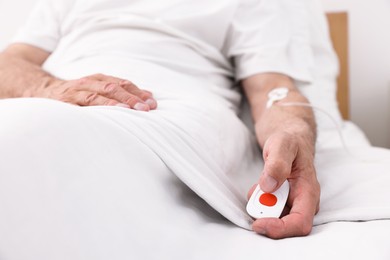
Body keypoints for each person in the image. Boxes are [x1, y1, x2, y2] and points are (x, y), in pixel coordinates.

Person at [0, 0, 320, 239]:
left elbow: (273, 90)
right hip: (52, 105)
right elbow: (9, 64)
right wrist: (49, 88)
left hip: (175, 118)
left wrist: (293, 135)